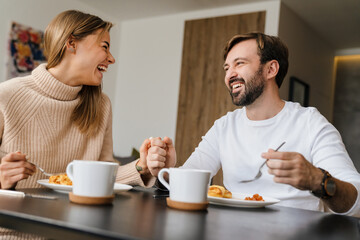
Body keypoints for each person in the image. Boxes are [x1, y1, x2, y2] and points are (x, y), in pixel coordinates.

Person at [146, 32, 360, 216]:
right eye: (226, 68)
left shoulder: (311, 123)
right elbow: (186, 183)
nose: (230, 74)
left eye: (240, 63)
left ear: (271, 69)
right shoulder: (224, 127)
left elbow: (355, 200)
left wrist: (318, 180)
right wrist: (167, 171)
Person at [0, 10, 158, 192]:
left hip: (77, 216)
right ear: (71, 43)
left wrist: (141, 166)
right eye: (105, 47)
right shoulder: (6, 96)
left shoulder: (101, 105)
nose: (112, 58)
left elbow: (104, 174)